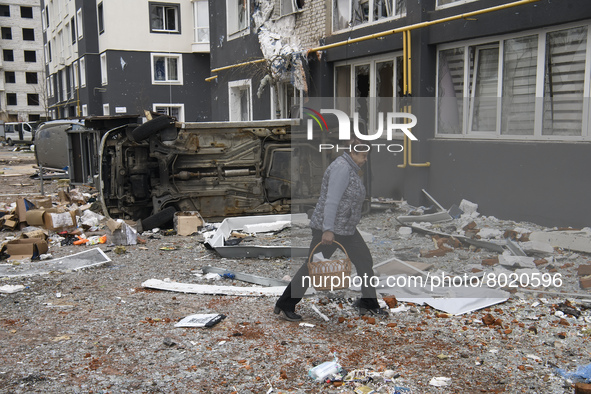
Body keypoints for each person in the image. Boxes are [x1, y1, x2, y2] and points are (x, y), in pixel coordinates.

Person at [274, 147, 388, 321]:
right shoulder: (341, 168)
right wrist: (328, 230)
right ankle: (285, 304)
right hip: (331, 229)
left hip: (346, 229)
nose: (365, 159)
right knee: (312, 267)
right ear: (352, 153)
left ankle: (368, 303)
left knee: (364, 260)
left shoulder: (350, 168)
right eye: (363, 156)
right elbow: (332, 200)